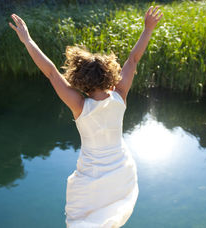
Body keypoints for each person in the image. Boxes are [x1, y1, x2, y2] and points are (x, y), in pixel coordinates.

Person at [9, 6, 163, 228]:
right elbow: (133, 59)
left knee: (84, 222)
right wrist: (148, 28)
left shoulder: (79, 105)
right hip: (120, 169)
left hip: (91, 176)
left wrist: (28, 41)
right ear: (111, 74)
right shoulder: (120, 96)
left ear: (79, 81)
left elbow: (51, 71)